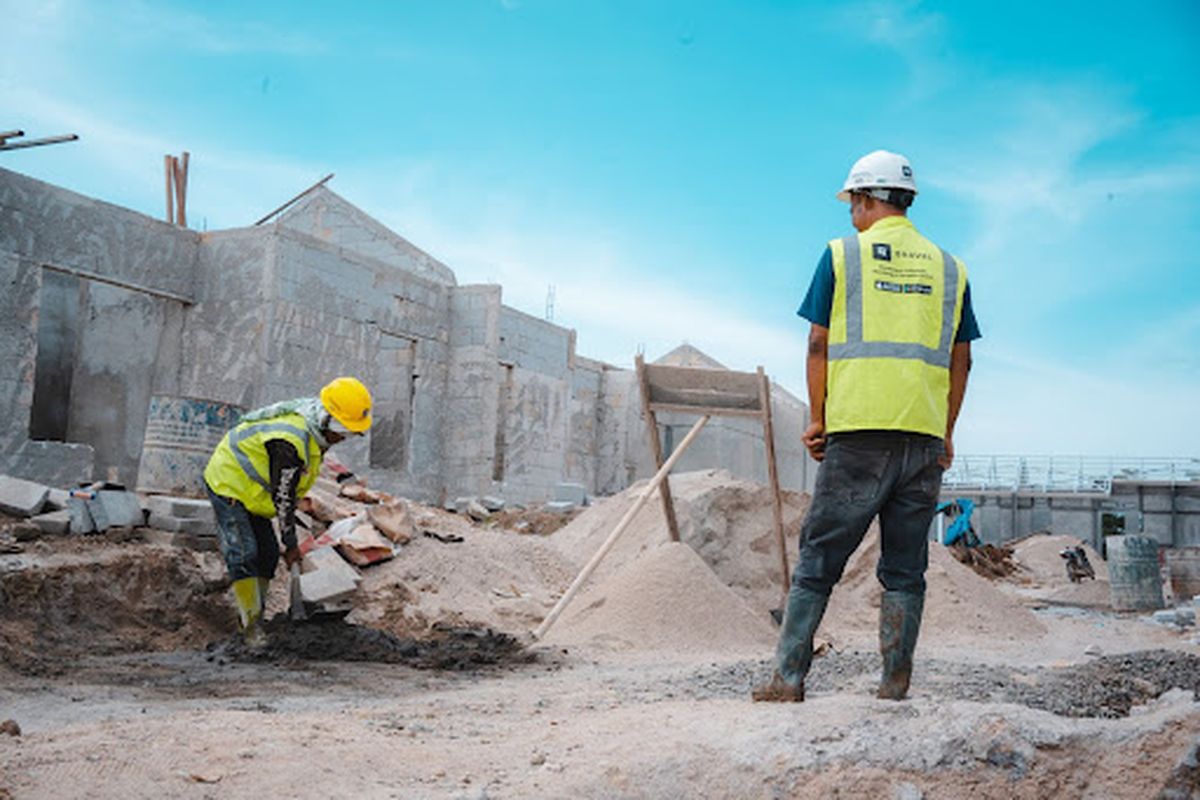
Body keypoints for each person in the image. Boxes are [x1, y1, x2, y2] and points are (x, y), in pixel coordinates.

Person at [754, 150, 980, 702]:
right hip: (923, 439)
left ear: (864, 199)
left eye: (851, 203)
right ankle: (894, 683)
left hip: (858, 434)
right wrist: (945, 431)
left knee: (818, 559)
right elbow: (962, 360)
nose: (849, 215)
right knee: (906, 568)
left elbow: (817, 342)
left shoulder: (842, 256)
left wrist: (817, 418)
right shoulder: (951, 268)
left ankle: (788, 679)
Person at [203, 377, 373, 645]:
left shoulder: (314, 426)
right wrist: (291, 544)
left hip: (256, 493)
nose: (342, 437)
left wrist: (287, 543)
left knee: (268, 554)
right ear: (329, 418)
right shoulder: (289, 441)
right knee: (245, 552)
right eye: (343, 430)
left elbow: (289, 491)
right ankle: (250, 629)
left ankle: (255, 619)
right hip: (230, 482)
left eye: (349, 432)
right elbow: (284, 496)